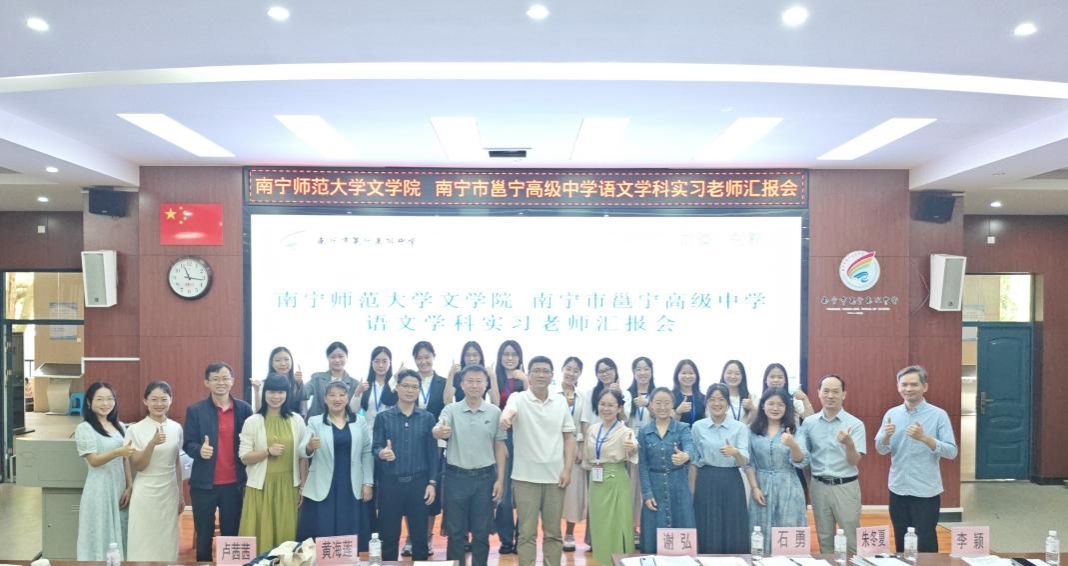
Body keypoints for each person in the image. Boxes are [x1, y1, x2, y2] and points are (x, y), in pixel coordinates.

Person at [499, 355, 576, 566]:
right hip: (525, 478)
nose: (541, 374)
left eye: (545, 371)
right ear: (529, 375)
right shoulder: (518, 398)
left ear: (552, 376)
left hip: (555, 478)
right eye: (536, 371)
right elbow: (508, 412)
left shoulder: (560, 401)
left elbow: (569, 438)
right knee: (526, 533)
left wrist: (567, 469)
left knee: (553, 533)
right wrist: (505, 418)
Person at [875, 365, 957, 553]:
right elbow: (880, 449)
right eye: (904, 384)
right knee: (901, 540)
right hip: (898, 488)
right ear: (898, 387)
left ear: (924, 387)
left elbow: (951, 452)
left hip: (926, 491)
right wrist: (886, 436)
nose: (908, 389)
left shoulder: (938, 415)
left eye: (914, 384)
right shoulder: (891, 414)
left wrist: (925, 438)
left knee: (926, 541)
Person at [433, 365, 508, 566]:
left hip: (485, 478)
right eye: (470, 381)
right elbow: (439, 427)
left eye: (479, 381)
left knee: (481, 533)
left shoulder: (494, 412)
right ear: (462, 384)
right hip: (456, 478)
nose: (474, 385)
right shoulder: (451, 409)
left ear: (486, 385)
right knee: (456, 533)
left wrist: (500, 479)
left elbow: (500, 446)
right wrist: (438, 432)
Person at [183, 362, 254, 562]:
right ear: (207, 382)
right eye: (215, 379)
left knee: (231, 535)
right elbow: (188, 443)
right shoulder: (195, 410)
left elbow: (252, 441)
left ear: (232, 381)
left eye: (225, 378)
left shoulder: (244, 409)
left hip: (234, 484)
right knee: (204, 536)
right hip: (204, 485)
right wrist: (199, 450)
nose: (220, 383)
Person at [373, 369, 439, 561]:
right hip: (390, 484)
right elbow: (375, 447)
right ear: (397, 388)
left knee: (420, 539)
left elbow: (432, 454)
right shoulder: (383, 417)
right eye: (406, 386)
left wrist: (432, 483)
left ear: (419, 390)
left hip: (419, 484)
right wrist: (382, 453)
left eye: (414, 387)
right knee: (389, 537)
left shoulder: (427, 418)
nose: (410, 390)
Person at [239, 373, 307, 553]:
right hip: (260, 486)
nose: (276, 397)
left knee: (287, 538)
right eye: (271, 392)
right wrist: (267, 452)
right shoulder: (253, 421)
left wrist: (302, 486)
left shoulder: (297, 420)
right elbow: (244, 457)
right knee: (260, 536)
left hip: (288, 486)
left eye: (280, 392)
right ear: (264, 393)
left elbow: (302, 457)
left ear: (287, 394)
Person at [297, 381, 374, 540]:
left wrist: (368, 482)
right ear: (325, 399)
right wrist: (310, 446)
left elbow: (367, 452)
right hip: (323, 484)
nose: (337, 399)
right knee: (324, 530)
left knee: (349, 531)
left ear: (347, 398)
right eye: (332, 395)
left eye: (341, 395)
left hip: (352, 483)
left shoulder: (359, 421)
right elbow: (302, 450)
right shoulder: (315, 421)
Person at [799, 374, 866, 553]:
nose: (830, 395)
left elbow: (854, 461)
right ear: (818, 393)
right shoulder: (809, 423)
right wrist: (810, 483)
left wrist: (849, 444)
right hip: (819, 487)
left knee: (851, 540)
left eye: (836, 391)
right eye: (826, 391)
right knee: (824, 538)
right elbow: (805, 458)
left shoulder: (855, 424)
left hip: (845, 486)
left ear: (844, 394)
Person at [745, 387, 809, 554]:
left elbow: (801, 461)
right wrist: (754, 487)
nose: (775, 408)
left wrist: (793, 445)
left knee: (789, 531)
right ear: (763, 405)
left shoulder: (795, 430)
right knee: (760, 532)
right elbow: (748, 463)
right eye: (771, 403)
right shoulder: (752, 431)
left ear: (787, 407)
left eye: (780, 404)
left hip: (789, 486)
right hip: (762, 487)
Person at [75, 382, 134, 561]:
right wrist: (117, 451)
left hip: (119, 487)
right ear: (89, 402)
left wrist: (129, 486)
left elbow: (125, 459)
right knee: (100, 533)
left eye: (109, 399)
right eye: (99, 399)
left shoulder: (120, 426)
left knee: (120, 532)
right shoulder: (85, 428)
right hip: (99, 489)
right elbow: (93, 461)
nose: (105, 403)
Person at [127, 381, 184, 562]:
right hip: (145, 492)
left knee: (167, 539)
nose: (159, 404)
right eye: (154, 399)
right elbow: (139, 465)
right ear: (145, 401)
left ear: (171, 400)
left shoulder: (176, 428)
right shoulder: (135, 429)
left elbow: (176, 463)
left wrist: (180, 494)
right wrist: (152, 444)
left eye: (164, 399)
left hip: (169, 491)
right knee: (142, 538)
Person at [692, 383, 750, 554]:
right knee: (707, 522)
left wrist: (735, 452)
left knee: (733, 523)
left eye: (721, 399)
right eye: (712, 399)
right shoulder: (698, 427)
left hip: (731, 479)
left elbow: (745, 460)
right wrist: (692, 489)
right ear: (707, 402)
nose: (716, 403)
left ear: (728, 403)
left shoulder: (739, 427)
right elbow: (694, 460)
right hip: (706, 479)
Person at [637, 387, 696, 555]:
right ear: (651, 405)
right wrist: (647, 493)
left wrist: (685, 456)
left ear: (673, 405)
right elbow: (642, 465)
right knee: (654, 529)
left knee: (682, 525)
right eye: (658, 403)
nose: (662, 407)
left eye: (666, 403)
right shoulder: (644, 432)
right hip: (654, 486)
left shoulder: (682, 428)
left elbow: (690, 448)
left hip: (679, 485)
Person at [584, 388, 639, 565]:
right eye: (602, 404)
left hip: (616, 480)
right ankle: (602, 561)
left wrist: (632, 449)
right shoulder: (592, 429)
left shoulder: (625, 431)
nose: (606, 409)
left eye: (611, 405)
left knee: (618, 524)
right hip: (596, 481)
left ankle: (620, 561)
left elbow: (633, 452)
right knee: (599, 525)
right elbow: (587, 457)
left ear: (619, 408)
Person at [355, 345, 396, 551]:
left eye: (384, 361)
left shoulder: (395, 384)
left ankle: (386, 532)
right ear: (372, 363)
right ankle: (370, 533)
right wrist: (356, 394)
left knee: (387, 488)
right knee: (369, 486)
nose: (381, 365)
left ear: (390, 363)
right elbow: (353, 411)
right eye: (377, 361)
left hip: (389, 442)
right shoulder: (366, 385)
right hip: (368, 440)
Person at [411, 340, 448, 555]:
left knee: (432, 485)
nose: (423, 361)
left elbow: (447, 407)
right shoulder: (409, 381)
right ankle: (412, 537)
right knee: (412, 488)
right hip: (411, 439)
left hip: (435, 443)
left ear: (434, 357)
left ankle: (427, 536)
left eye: (427, 357)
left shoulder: (443, 382)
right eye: (419, 357)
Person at [493, 339, 527, 554]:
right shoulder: (494, 377)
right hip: (502, 437)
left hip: (525, 439)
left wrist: (525, 380)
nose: (510, 358)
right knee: (503, 493)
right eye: (506, 354)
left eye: (514, 354)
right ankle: (506, 539)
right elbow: (495, 406)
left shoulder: (525, 378)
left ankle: (522, 538)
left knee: (524, 492)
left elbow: (533, 404)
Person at [559, 356, 589, 552]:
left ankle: (569, 533)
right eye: (568, 368)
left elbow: (584, 423)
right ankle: (552, 532)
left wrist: (582, 446)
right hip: (553, 447)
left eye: (576, 370)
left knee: (573, 491)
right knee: (552, 491)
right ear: (562, 369)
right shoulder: (552, 393)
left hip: (575, 447)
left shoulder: (582, 396)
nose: (571, 373)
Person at [627, 357, 655, 547]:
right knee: (632, 490)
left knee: (648, 488)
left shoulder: (657, 393)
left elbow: (666, 415)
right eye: (639, 369)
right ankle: (631, 528)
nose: (642, 372)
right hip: (630, 449)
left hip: (651, 447)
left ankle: (647, 528)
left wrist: (648, 404)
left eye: (646, 369)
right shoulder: (627, 394)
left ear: (651, 371)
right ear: (634, 372)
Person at [303, 341, 362, 418]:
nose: (337, 360)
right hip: (316, 423)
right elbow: (303, 394)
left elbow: (355, 409)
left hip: (342, 423)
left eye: (341, 356)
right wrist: (298, 383)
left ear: (346, 357)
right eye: (333, 357)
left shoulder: (354, 383)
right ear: (328, 358)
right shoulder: (317, 378)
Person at [252, 346, 305, 413]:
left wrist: (299, 384)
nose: (283, 364)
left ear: (291, 361)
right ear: (272, 363)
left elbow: (303, 410)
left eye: (286, 359)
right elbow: (258, 412)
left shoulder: (297, 383)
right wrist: (256, 391)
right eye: (277, 360)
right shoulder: (263, 384)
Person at [445, 341, 499, 405]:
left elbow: (496, 403)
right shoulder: (457, 375)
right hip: (460, 410)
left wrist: (493, 377)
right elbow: (447, 401)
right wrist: (451, 374)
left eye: (475, 355)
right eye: (468, 355)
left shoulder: (486, 375)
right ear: (463, 357)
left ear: (480, 357)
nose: (471, 359)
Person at [672, 359, 705, 425]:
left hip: (698, 431)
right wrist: (678, 412)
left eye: (691, 373)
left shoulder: (703, 398)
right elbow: (666, 424)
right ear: (677, 375)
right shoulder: (670, 396)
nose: (687, 376)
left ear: (696, 376)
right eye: (684, 373)